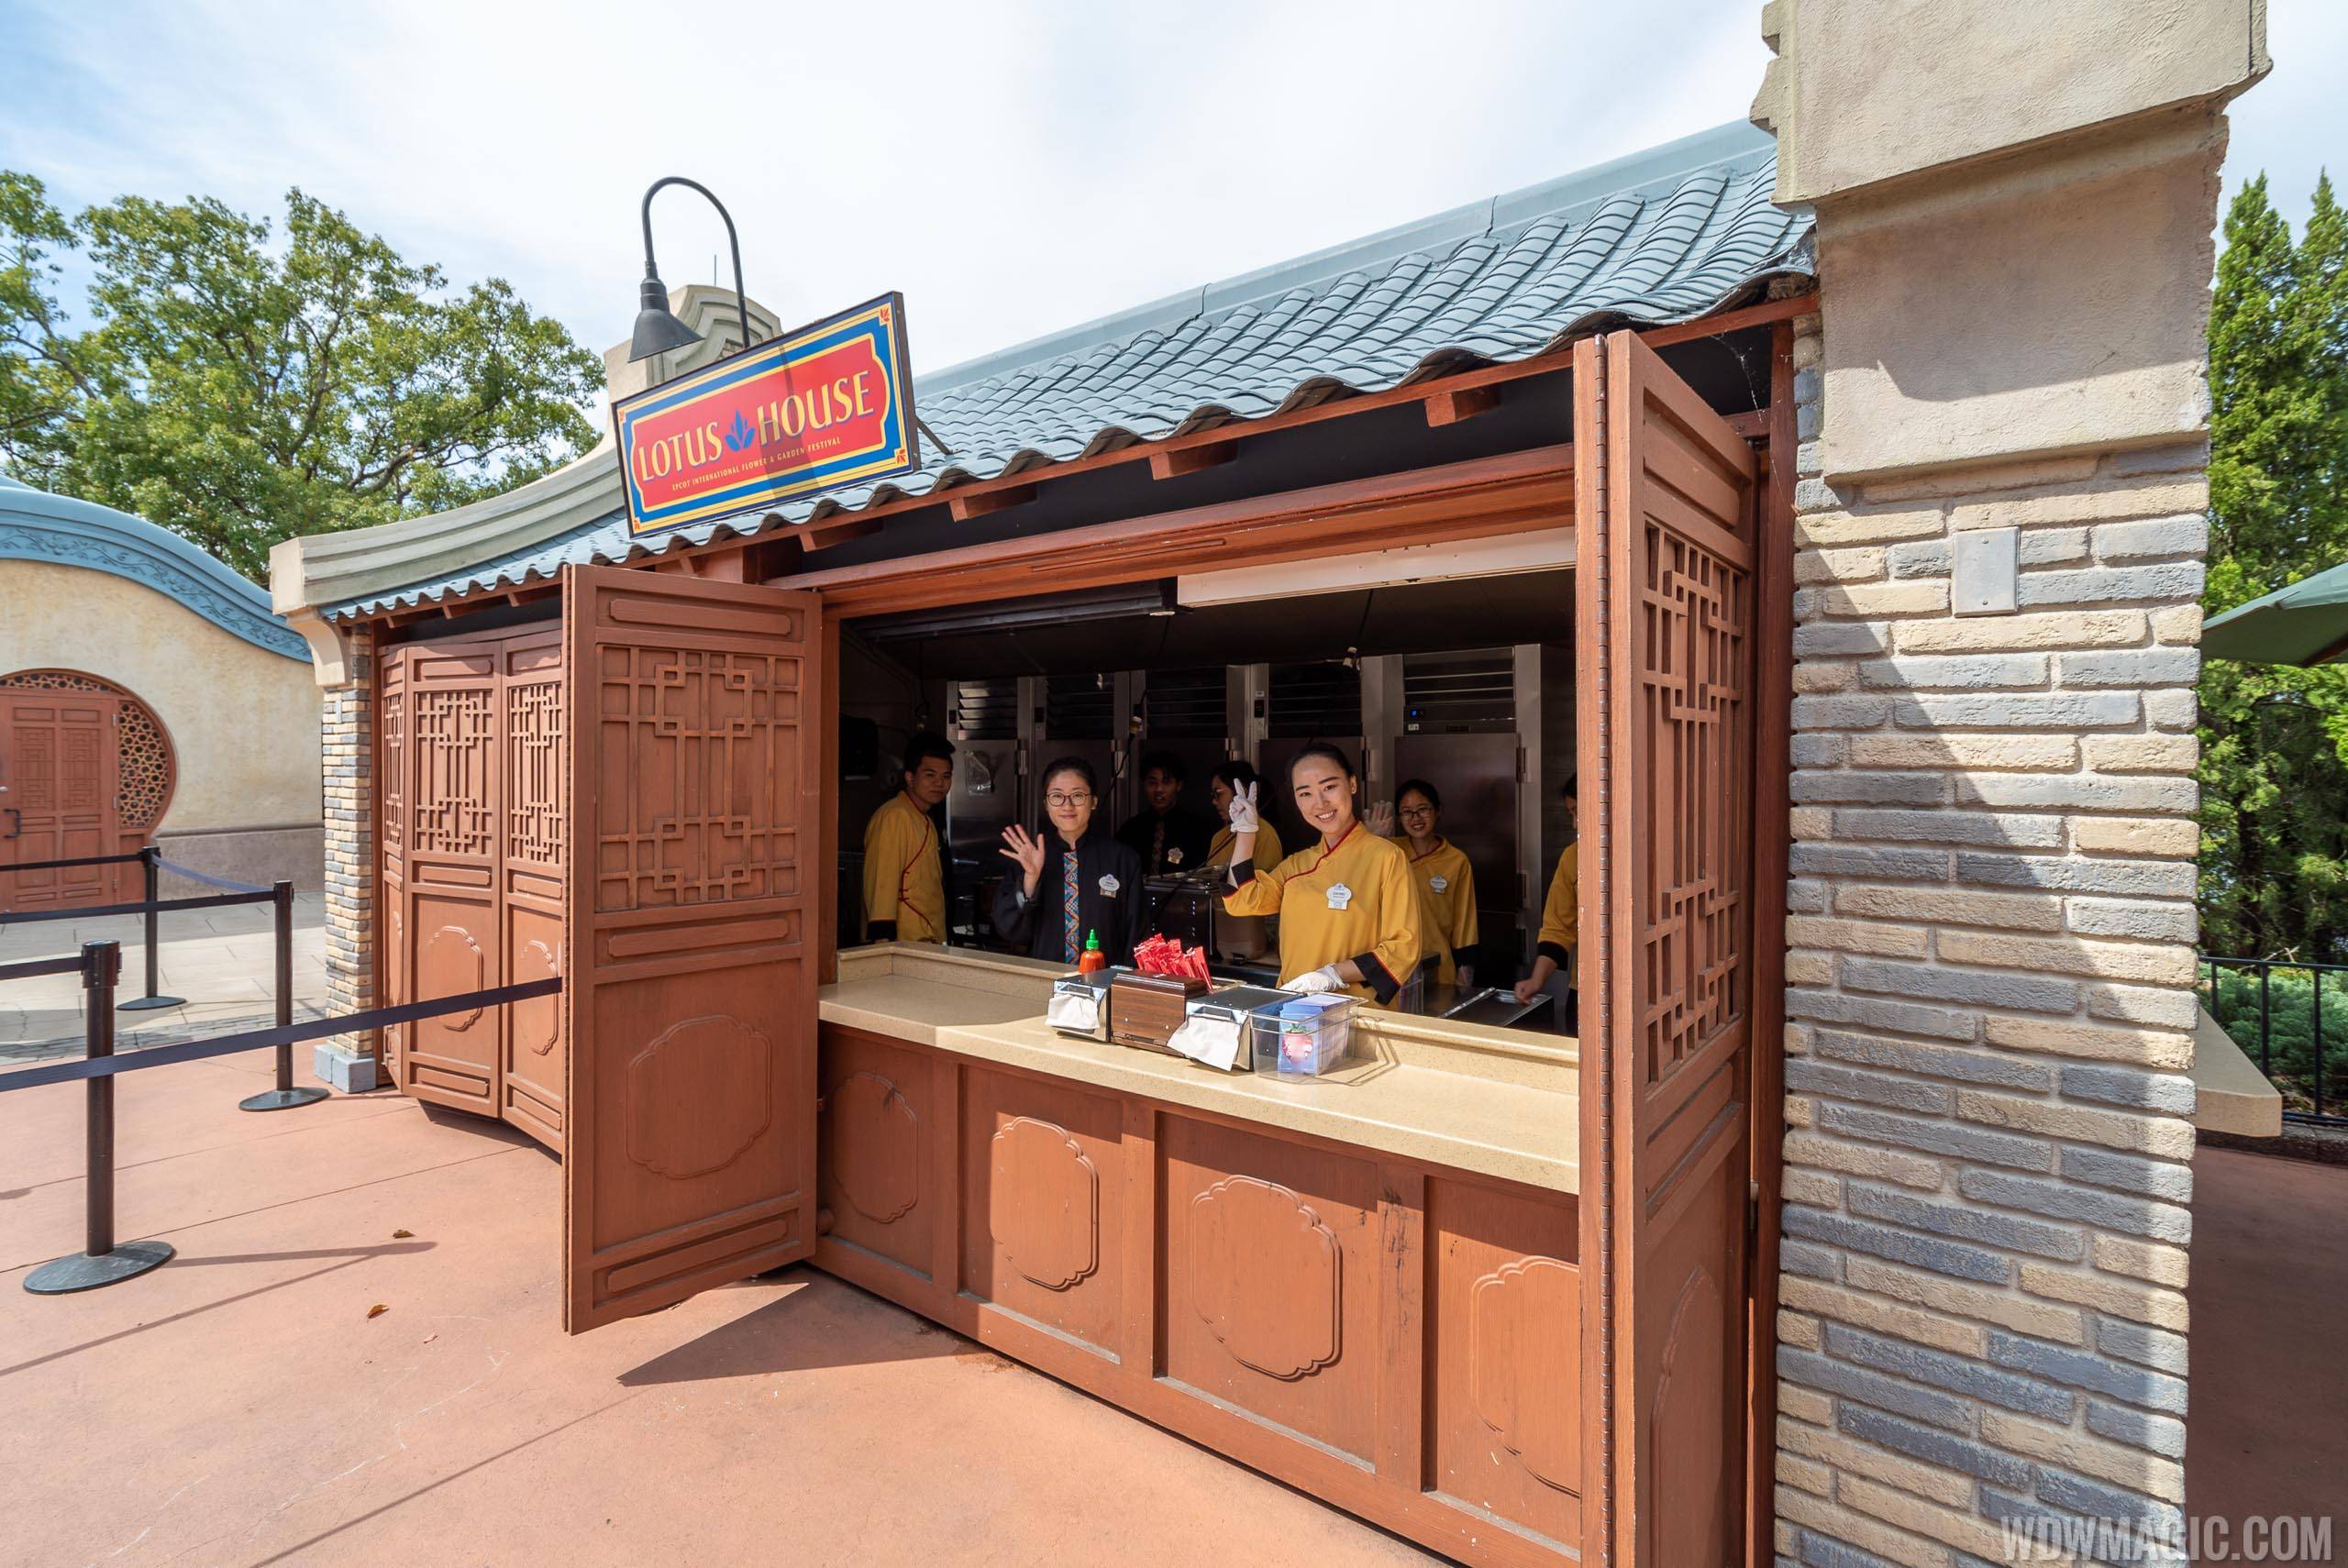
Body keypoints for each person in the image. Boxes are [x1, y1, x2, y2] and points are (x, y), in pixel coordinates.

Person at [1220, 743, 1421, 1008]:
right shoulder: (1297, 865)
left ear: (1351, 784)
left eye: (1329, 787)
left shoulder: (1386, 857)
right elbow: (1242, 900)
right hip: (1294, 1011)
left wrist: (1332, 975)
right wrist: (1246, 832)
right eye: (1305, 793)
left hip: (1357, 1014)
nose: (1320, 803)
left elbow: (1403, 947)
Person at [991, 756, 1146, 966]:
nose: (1067, 805)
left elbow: (1137, 935)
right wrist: (1030, 879)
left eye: (1078, 795)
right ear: (1046, 803)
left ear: (1093, 802)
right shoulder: (1029, 856)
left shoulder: (1122, 859)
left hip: (1105, 983)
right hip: (1045, 980)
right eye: (1057, 796)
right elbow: (1010, 930)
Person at [863, 731, 953, 944]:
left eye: (946, 776)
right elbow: (882, 883)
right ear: (910, 777)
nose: (939, 783)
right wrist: (882, 941)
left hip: (927, 939)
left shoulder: (925, 818)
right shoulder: (895, 816)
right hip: (903, 942)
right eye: (930, 775)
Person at [1394, 779, 1478, 989]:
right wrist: (1374, 839)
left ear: (1437, 810)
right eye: (1407, 812)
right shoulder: (1390, 852)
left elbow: (1465, 923)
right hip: (1393, 966)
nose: (1416, 818)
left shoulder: (1456, 860)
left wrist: (1464, 974)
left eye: (1423, 810)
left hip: (1439, 966)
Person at [1515, 778, 1578, 1031]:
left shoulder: (1646, 851)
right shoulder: (1573, 857)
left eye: (1578, 812)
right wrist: (1536, 980)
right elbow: (1558, 927)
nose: (1575, 824)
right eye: (1571, 813)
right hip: (1584, 987)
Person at [1116, 749, 1215, 877]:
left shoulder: (1198, 830)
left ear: (1179, 785)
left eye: (1166, 782)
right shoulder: (1131, 829)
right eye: (1152, 783)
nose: (1159, 789)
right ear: (1143, 784)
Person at [1205, 760, 1282, 875]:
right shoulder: (1219, 837)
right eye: (1213, 795)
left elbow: (1265, 885)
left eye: (1219, 793)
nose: (1214, 801)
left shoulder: (1266, 833)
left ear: (1242, 791)